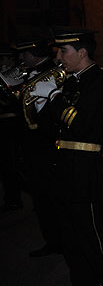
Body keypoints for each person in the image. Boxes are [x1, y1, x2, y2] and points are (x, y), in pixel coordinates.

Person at [31, 27, 103, 285]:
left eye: (63, 50)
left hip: (84, 173)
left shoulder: (99, 80)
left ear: (82, 52)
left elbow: (82, 125)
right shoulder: (70, 81)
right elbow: (49, 130)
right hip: (62, 171)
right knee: (72, 247)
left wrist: (54, 97)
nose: (58, 56)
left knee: (95, 246)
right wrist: (40, 105)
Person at [13, 36, 64, 257]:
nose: (21, 58)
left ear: (33, 53)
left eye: (24, 53)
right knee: (42, 196)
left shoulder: (49, 74)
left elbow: (42, 115)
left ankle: (57, 241)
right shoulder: (33, 73)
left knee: (48, 197)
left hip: (44, 145)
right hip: (35, 145)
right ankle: (54, 239)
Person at [0, 44, 23, 211]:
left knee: (15, 163)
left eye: (6, 58)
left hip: (16, 123)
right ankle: (11, 197)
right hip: (3, 124)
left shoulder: (18, 73)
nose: (4, 62)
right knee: (6, 163)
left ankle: (14, 198)